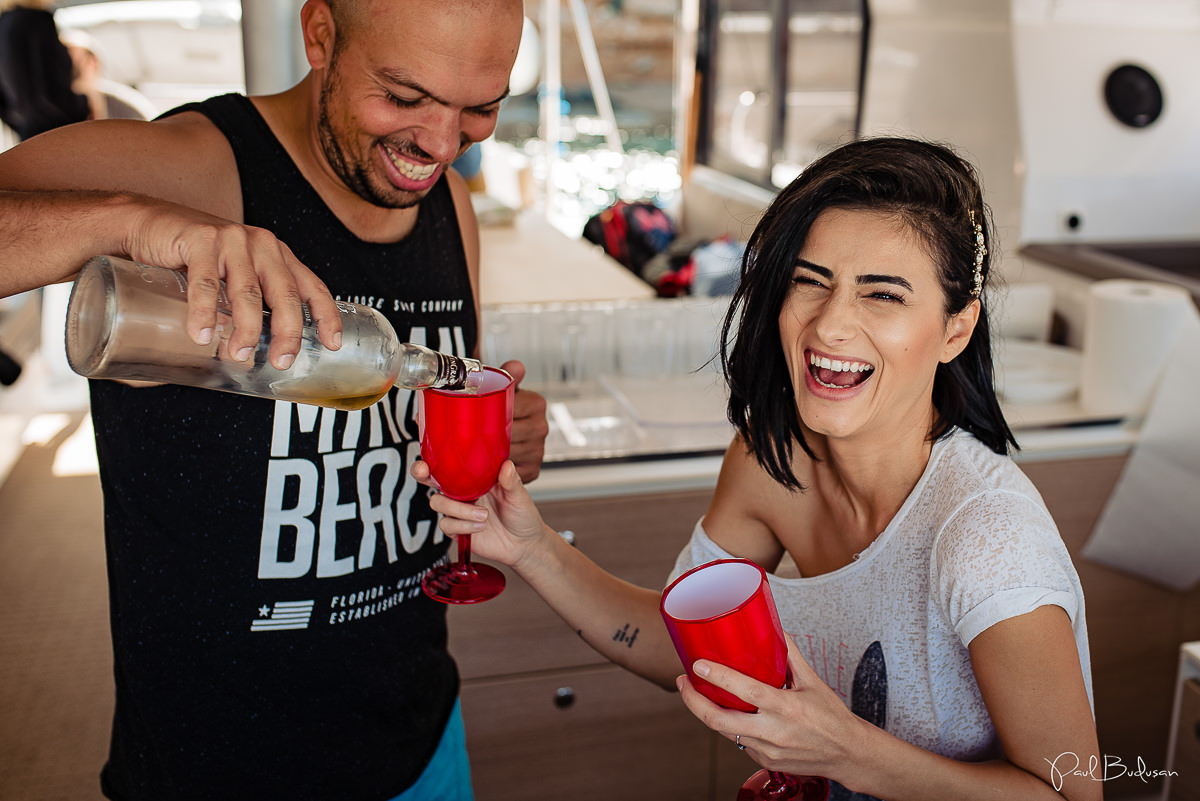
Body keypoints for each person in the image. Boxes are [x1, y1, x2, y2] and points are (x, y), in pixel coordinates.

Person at [421, 137, 1103, 800]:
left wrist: (851, 755)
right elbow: (688, 646)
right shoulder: (770, 457)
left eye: (883, 295)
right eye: (811, 281)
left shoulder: (987, 539)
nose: (830, 326)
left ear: (956, 329)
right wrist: (532, 548)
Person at [0, 1, 547, 800]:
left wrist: (492, 442)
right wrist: (132, 222)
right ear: (319, 34)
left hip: (422, 742)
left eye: (480, 108)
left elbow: (408, 408)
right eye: (402, 98)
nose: (438, 145)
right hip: (216, 769)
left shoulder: (447, 205)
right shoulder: (194, 168)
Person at [0, 0, 90, 141]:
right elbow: (51, 87)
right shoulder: (37, 21)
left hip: (27, 137)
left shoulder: (4, 24)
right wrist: (84, 102)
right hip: (60, 134)